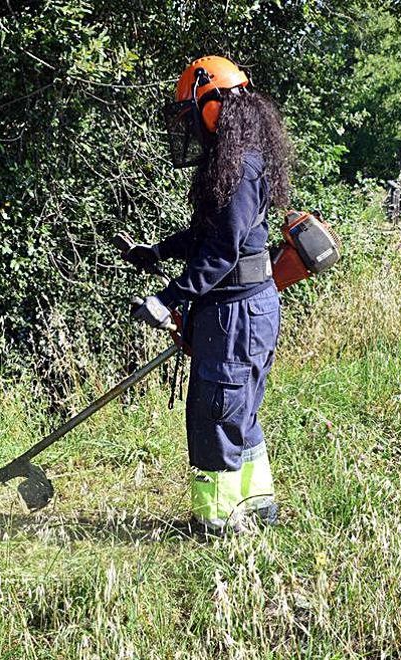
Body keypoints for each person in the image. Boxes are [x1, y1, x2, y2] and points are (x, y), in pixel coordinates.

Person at [125, 56, 292, 534]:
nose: (192, 126)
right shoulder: (236, 162)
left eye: (192, 113)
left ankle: (216, 526)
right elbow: (208, 232)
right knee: (239, 412)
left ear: (214, 106)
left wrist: (169, 297)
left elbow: (223, 248)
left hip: (236, 313)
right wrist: (156, 251)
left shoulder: (239, 167)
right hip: (241, 308)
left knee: (216, 415)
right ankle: (257, 509)